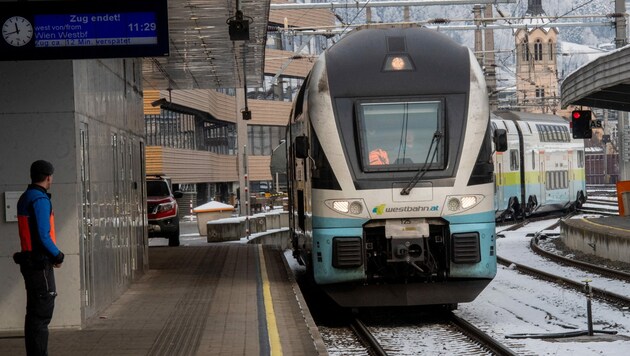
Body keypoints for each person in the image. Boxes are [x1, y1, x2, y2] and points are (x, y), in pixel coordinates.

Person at [13, 160, 64, 356]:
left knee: (34, 315)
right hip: (40, 264)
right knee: (41, 315)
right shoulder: (40, 200)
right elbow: (44, 235)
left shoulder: (25, 197)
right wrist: (58, 255)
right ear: (48, 176)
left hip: (29, 261)